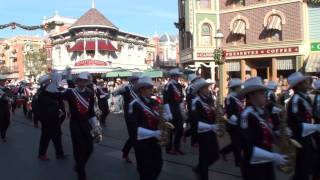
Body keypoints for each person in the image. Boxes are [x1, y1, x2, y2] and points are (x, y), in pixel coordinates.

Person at [45, 71, 102, 180]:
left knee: (89, 149)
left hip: (87, 124)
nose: (83, 82)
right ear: (77, 81)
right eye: (81, 80)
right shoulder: (71, 92)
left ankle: (79, 166)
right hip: (75, 124)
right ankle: (81, 173)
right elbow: (55, 95)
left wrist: (96, 126)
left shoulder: (90, 93)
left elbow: (91, 112)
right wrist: (52, 82)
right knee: (78, 149)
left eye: (85, 80)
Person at [240, 77, 287, 180]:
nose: (264, 95)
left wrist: (283, 132)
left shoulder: (264, 111)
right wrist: (274, 157)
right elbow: (248, 148)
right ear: (252, 95)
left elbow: (270, 130)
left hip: (267, 160)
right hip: (254, 166)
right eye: (261, 93)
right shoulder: (246, 115)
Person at [128, 76, 163, 180]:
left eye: (151, 88)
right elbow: (134, 127)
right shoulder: (134, 104)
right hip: (142, 143)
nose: (151, 90)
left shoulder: (155, 102)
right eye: (148, 88)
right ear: (141, 89)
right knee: (146, 170)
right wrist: (154, 133)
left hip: (154, 141)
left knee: (158, 165)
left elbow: (159, 118)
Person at [287, 72, 320, 180]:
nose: (307, 84)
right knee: (302, 169)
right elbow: (297, 124)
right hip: (300, 140)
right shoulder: (296, 100)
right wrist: (316, 127)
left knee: (310, 166)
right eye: (304, 82)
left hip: (308, 137)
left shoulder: (304, 98)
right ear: (299, 85)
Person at [190, 78, 220, 180]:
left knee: (215, 155)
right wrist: (211, 126)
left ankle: (198, 169)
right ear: (200, 89)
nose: (208, 89)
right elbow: (195, 121)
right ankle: (203, 175)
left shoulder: (209, 99)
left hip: (211, 131)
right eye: (206, 87)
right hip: (202, 133)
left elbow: (213, 113)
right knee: (204, 158)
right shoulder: (196, 102)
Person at [36, 75, 67, 161]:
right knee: (45, 137)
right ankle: (41, 154)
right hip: (47, 120)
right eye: (48, 82)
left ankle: (59, 154)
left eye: (49, 81)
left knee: (57, 136)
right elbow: (42, 108)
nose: (50, 83)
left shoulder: (51, 92)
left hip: (54, 118)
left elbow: (60, 97)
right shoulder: (42, 94)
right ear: (44, 84)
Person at [112, 74, 139, 162]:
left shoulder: (139, 88)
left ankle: (127, 152)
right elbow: (114, 93)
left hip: (138, 113)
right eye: (136, 79)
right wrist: (121, 88)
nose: (138, 81)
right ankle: (127, 152)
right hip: (129, 115)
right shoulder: (127, 88)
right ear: (133, 80)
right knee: (133, 135)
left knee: (137, 135)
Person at [220, 78, 244, 167]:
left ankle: (224, 151)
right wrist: (238, 122)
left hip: (239, 123)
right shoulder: (230, 98)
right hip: (233, 124)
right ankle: (238, 162)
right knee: (237, 143)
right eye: (239, 87)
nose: (241, 88)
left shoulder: (239, 97)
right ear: (235, 87)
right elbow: (230, 113)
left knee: (237, 142)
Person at [163, 68, 185, 155]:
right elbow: (166, 100)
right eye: (176, 76)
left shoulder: (179, 86)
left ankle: (176, 147)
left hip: (177, 109)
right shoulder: (168, 85)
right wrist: (168, 113)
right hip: (170, 109)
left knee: (180, 129)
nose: (177, 77)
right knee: (170, 130)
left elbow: (180, 99)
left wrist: (182, 111)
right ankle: (168, 148)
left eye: (178, 76)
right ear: (172, 76)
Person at [184, 74, 200, 147]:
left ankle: (185, 134)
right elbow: (190, 98)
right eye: (196, 79)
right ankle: (194, 142)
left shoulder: (195, 87)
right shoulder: (190, 88)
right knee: (194, 126)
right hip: (192, 109)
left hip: (196, 109)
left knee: (196, 126)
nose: (197, 80)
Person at [0, 74, 11, 142]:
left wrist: (11, 98)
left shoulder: (6, 89)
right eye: (2, 81)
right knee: (1, 121)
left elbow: (11, 96)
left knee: (7, 121)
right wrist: (3, 98)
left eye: (4, 81)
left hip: (6, 107)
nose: (4, 82)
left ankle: (2, 130)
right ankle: (3, 135)